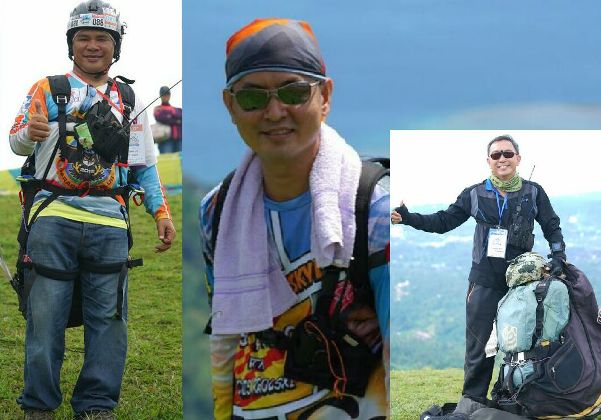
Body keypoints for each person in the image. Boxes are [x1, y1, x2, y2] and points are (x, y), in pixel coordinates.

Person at [199, 18, 390, 419]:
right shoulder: (216, 211)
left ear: (325, 96)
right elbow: (225, 336)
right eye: (252, 97)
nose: (274, 112)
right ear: (230, 105)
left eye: (294, 92)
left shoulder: (375, 207)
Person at [8, 1, 176, 419]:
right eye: (83, 38)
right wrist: (30, 133)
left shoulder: (128, 98)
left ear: (116, 46)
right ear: (71, 44)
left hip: (110, 224)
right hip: (52, 219)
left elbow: (143, 166)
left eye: (102, 38)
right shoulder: (48, 89)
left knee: (109, 322)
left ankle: (97, 406)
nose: (92, 45)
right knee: (44, 319)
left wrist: (161, 213)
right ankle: (39, 406)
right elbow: (16, 140)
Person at [391, 134, 566, 416]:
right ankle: (472, 403)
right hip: (484, 280)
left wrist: (558, 256)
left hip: (523, 283)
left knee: (527, 340)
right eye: (496, 155)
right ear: (488, 161)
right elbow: (443, 221)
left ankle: (527, 396)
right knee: (480, 345)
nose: (502, 159)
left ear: (518, 158)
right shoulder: (474, 194)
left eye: (507, 154)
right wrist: (409, 217)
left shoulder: (533, 192)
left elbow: (551, 226)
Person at [153, 86, 182, 154]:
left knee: (181, 159)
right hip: (165, 140)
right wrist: (177, 121)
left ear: (170, 95)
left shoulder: (177, 109)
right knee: (166, 159)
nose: (165, 96)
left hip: (180, 139)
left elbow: (181, 116)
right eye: (163, 95)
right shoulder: (157, 109)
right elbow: (162, 118)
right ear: (160, 96)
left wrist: (169, 116)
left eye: (167, 94)